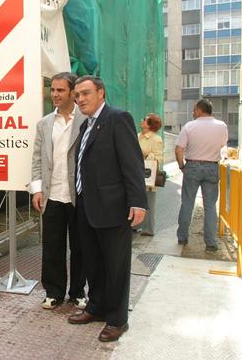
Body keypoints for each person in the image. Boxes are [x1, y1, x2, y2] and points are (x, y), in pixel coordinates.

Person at [67, 76, 147, 343]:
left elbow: (132, 164)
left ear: (101, 92)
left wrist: (138, 201)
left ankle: (117, 319)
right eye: (77, 95)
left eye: (86, 93)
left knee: (116, 267)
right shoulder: (86, 125)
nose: (80, 99)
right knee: (94, 263)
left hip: (113, 208)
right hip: (87, 206)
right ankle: (96, 307)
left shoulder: (117, 118)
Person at [29, 72, 86, 310]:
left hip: (78, 195)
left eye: (60, 90)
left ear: (73, 92)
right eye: (52, 90)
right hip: (52, 195)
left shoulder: (86, 120)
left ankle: (78, 292)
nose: (54, 94)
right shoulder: (44, 123)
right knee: (52, 246)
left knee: (81, 247)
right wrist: (37, 190)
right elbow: (37, 159)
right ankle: (53, 292)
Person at [175, 99, 228, 252]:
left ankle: (182, 237)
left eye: (194, 110)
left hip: (192, 166)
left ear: (199, 110)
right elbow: (222, 145)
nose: (193, 112)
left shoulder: (190, 126)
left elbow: (179, 149)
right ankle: (211, 243)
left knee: (187, 203)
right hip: (212, 166)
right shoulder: (222, 126)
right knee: (210, 206)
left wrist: (181, 166)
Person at [138, 113, 164, 236]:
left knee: (148, 201)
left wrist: (145, 156)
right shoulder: (138, 136)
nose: (141, 120)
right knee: (135, 199)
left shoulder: (156, 139)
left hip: (147, 174)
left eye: (144, 119)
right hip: (135, 172)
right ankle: (135, 225)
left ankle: (148, 229)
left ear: (149, 125)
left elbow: (158, 158)